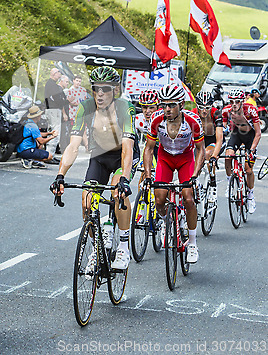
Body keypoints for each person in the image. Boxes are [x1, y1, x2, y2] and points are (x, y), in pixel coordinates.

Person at [51, 66, 139, 270]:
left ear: (115, 90)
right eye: (96, 88)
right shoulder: (86, 107)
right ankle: (97, 250)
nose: (100, 94)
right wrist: (60, 175)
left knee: (119, 192)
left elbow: (127, 148)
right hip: (99, 157)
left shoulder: (125, 108)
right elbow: (73, 146)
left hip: (122, 156)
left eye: (105, 89)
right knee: (87, 201)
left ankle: (124, 247)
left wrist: (124, 178)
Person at [143, 83, 205, 264]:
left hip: (186, 159)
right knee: (159, 199)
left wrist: (194, 176)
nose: (167, 109)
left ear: (182, 105)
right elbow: (148, 149)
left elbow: (200, 150)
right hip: (165, 159)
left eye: (171, 105)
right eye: (164, 105)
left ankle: (192, 242)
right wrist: (148, 176)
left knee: (188, 197)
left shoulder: (192, 121)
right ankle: (165, 221)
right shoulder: (156, 119)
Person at [222, 89, 261, 213]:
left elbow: (258, 133)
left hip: (250, 136)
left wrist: (252, 150)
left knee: (248, 169)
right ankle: (230, 182)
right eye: (231, 101)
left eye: (237, 101)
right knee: (228, 156)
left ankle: (250, 195)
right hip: (237, 134)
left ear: (243, 101)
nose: (234, 104)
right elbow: (223, 127)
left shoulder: (250, 110)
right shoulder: (226, 110)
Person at [195, 91, 224, 202]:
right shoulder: (192, 113)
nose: (204, 111)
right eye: (201, 107)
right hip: (199, 141)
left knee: (207, 154)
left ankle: (212, 185)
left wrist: (214, 156)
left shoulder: (216, 114)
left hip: (213, 141)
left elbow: (219, 139)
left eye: (207, 107)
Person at [44, 68, 65, 163]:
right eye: (58, 73)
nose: (59, 75)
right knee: (55, 133)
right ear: (54, 74)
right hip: (54, 110)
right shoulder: (52, 85)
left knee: (51, 131)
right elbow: (56, 98)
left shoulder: (50, 84)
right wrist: (66, 101)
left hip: (50, 110)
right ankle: (49, 156)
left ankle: (50, 154)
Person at [58, 75, 70, 152]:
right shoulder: (58, 89)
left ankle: (59, 148)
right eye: (66, 82)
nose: (67, 83)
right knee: (61, 131)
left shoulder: (60, 90)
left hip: (61, 113)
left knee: (62, 131)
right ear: (61, 81)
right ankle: (61, 148)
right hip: (60, 114)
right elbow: (60, 103)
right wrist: (64, 113)